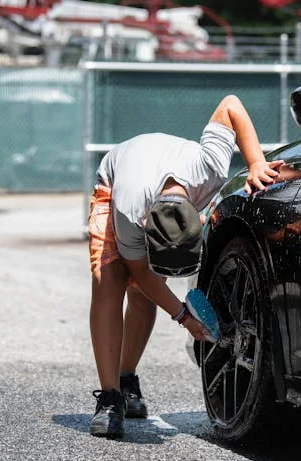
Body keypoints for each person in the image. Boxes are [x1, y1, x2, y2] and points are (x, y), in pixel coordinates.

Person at [87, 95, 284, 438]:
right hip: (117, 177)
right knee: (111, 278)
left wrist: (256, 162)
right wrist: (182, 316)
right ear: (146, 223)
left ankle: (126, 376)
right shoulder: (129, 205)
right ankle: (109, 398)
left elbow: (231, 105)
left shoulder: (209, 167)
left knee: (145, 295)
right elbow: (139, 272)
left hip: (162, 172)